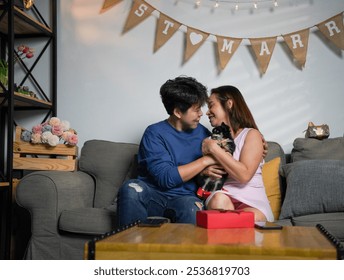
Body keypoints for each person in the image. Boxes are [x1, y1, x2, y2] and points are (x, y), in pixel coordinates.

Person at [116, 76, 216, 226]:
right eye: (196, 110)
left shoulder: (204, 135)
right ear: (177, 112)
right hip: (152, 195)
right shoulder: (154, 133)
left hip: (185, 199)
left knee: (192, 209)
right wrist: (205, 161)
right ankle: (127, 247)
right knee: (131, 189)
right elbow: (166, 178)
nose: (201, 114)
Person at [201, 85, 274, 222]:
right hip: (222, 196)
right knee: (219, 200)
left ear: (229, 104)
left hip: (252, 202)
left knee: (248, 218)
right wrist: (204, 171)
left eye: (211, 105)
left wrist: (213, 149)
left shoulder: (251, 135)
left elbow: (244, 175)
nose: (207, 112)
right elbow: (204, 175)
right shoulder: (210, 140)